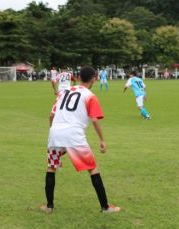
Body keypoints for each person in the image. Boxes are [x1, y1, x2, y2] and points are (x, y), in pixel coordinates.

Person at [40, 66, 120, 214]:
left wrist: (55, 136)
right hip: (74, 134)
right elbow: (95, 120)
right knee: (92, 169)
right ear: (94, 78)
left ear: (77, 77)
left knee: (51, 167)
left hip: (55, 132)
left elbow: (51, 116)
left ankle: (49, 206)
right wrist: (102, 140)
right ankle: (105, 207)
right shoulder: (90, 95)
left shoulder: (63, 93)